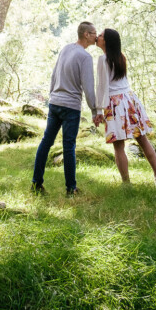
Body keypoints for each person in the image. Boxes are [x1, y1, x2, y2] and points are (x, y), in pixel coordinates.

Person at [31, 21, 103, 196]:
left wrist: (52, 96)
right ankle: (71, 188)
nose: (96, 36)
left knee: (46, 142)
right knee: (69, 146)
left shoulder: (65, 49)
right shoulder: (85, 57)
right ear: (86, 34)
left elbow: (54, 75)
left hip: (55, 103)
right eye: (94, 33)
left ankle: (36, 183)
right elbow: (88, 88)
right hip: (70, 106)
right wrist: (95, 111)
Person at [95, 28, 156, 186]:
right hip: (130, 100)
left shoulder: (102, 59)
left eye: (100, 36)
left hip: (115, 104)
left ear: (106, 41)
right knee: (142, 139)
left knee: (118, 146)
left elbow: (101, 87)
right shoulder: (121, 57)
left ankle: (126, 183)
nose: (97, 38)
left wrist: (99, 110)